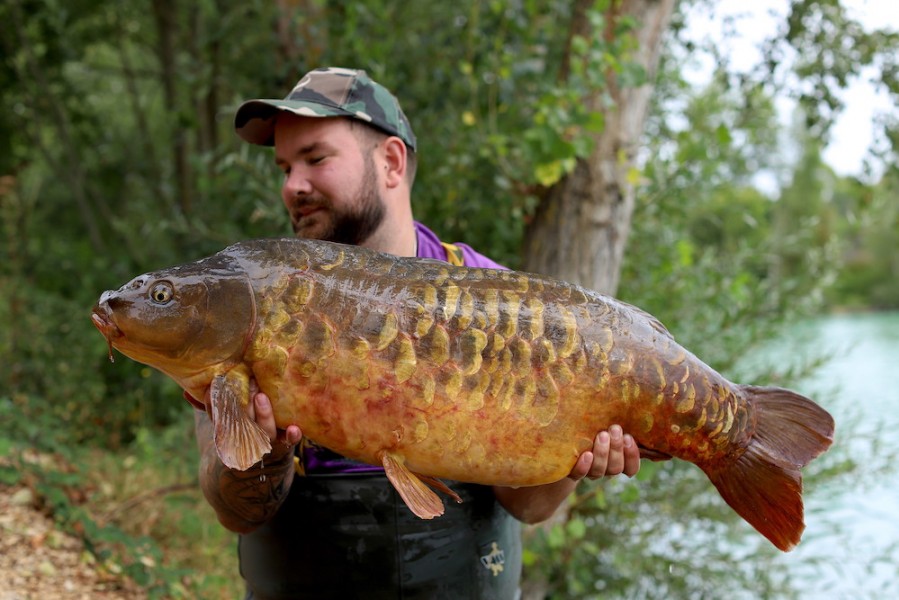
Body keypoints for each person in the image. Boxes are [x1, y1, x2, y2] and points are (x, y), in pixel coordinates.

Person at [193, 67, 641, 600]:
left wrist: (577, 458)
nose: (293, 185)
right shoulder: (249, 300)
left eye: (316, 158)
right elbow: (233, 510)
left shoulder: (501, 306)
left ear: (391, 162)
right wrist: (260, 457)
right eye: (285, 167)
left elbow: (528, 506)